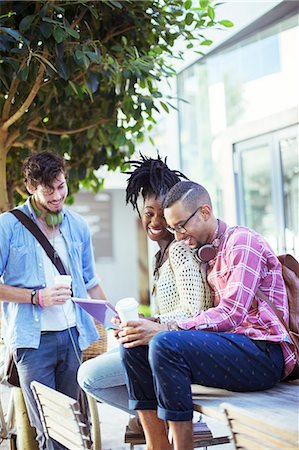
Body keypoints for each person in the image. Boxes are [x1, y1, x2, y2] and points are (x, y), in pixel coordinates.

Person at [119, 180, 297, 450]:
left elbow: (231, 314)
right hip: (233, 348)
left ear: (205, 212)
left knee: (165, 343)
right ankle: (157, 445)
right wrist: (148, 325)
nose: (178, 236)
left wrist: (167, 329)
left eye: (181, 226)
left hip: (264, 353)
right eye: (173, 228)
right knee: (133, 345)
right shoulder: (208, 253)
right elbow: (206, 315)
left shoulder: (242, 242)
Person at [77, 156, 212, 429]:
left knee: (89, 376)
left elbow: (196, 312)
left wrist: (151, 323)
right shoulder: (160, 256)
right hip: (160, 344)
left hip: (179, 347)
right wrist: (140, 320)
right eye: (148, 213)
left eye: (162, 212)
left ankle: (160, 422)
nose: (154, 220)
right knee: (94, 372)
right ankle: (158, 420)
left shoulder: (180, 251)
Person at [0, 151, 106, 450]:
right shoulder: (8, 227)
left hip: (73, 335)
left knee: (73, 427)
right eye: (49, 190)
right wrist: (37, 297)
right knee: (48, 429)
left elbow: (91, 281)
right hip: (32, 343)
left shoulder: (77, 226)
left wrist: (114, 318)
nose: (57, 195)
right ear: (31, 187)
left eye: (61, 186)